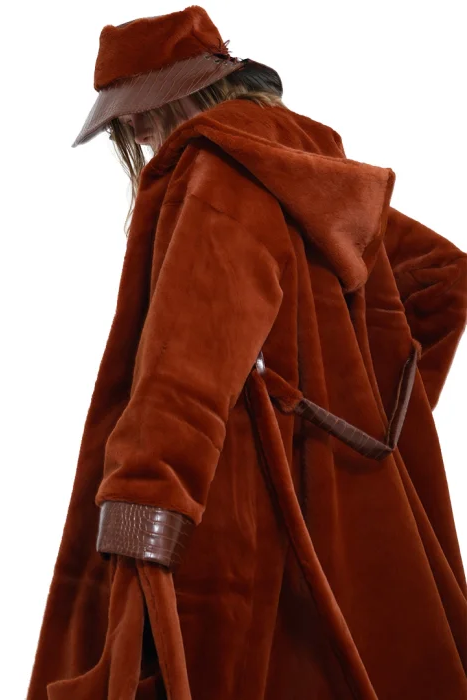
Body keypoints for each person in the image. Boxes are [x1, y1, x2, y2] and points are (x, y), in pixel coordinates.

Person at [27, 6, 467, 699]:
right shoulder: (316, 167)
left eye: (136, 113)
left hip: (242, 524)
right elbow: (444, 279)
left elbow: (186, 367)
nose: (135, 133)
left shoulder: (217, 171)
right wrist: (364, 427)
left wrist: (141, 513)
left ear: (180, 92)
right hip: (355, 525)